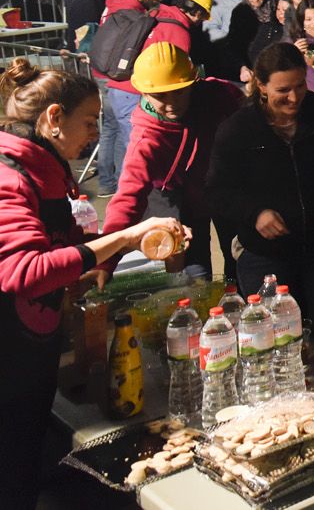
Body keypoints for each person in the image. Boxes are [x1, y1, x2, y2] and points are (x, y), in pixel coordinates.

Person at [0, 59, 186, 510]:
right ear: (54, 117)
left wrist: (109, 257)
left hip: (32, 353)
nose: (95, 134)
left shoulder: (44, 167)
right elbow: (22, 271)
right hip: (9, 360)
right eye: (88, 121)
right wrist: (122, 238)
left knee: (25, 462)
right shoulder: (10, 175)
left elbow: (57, 249)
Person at [206, 43, 314, 338]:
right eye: (283, 90)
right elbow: (216, 190)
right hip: (264, 256)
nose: (294, 97)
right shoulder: (238, 129)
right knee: (272, 341)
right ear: (261, 86)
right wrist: (255, 214)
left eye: (300, 86)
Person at [102, 44, 243, 279]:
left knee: (240, 261)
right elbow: (127, 199)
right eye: (160, 96)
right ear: (143, 93)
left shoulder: (219, 94)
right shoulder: (146, 139)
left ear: (192, 82)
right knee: (193, 274)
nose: (171, 103)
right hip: (175, 198)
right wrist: (105, 262)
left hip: (222, 185)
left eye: (179, 91)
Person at [93, 0, 192, 199]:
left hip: (106, 78)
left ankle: (108, 184)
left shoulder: (117, 0)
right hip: (121, 81)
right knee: (131, 144)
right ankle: (128, 192)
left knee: (112, 131)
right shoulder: (132, 12)